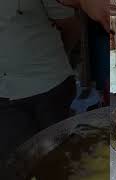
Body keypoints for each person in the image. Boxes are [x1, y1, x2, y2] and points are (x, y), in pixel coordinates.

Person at [0, 0, 107, 176]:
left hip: (50, 84)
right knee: (18, 164)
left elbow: (69, 24)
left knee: (62, 159)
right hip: (4, 98)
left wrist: (58, 58)